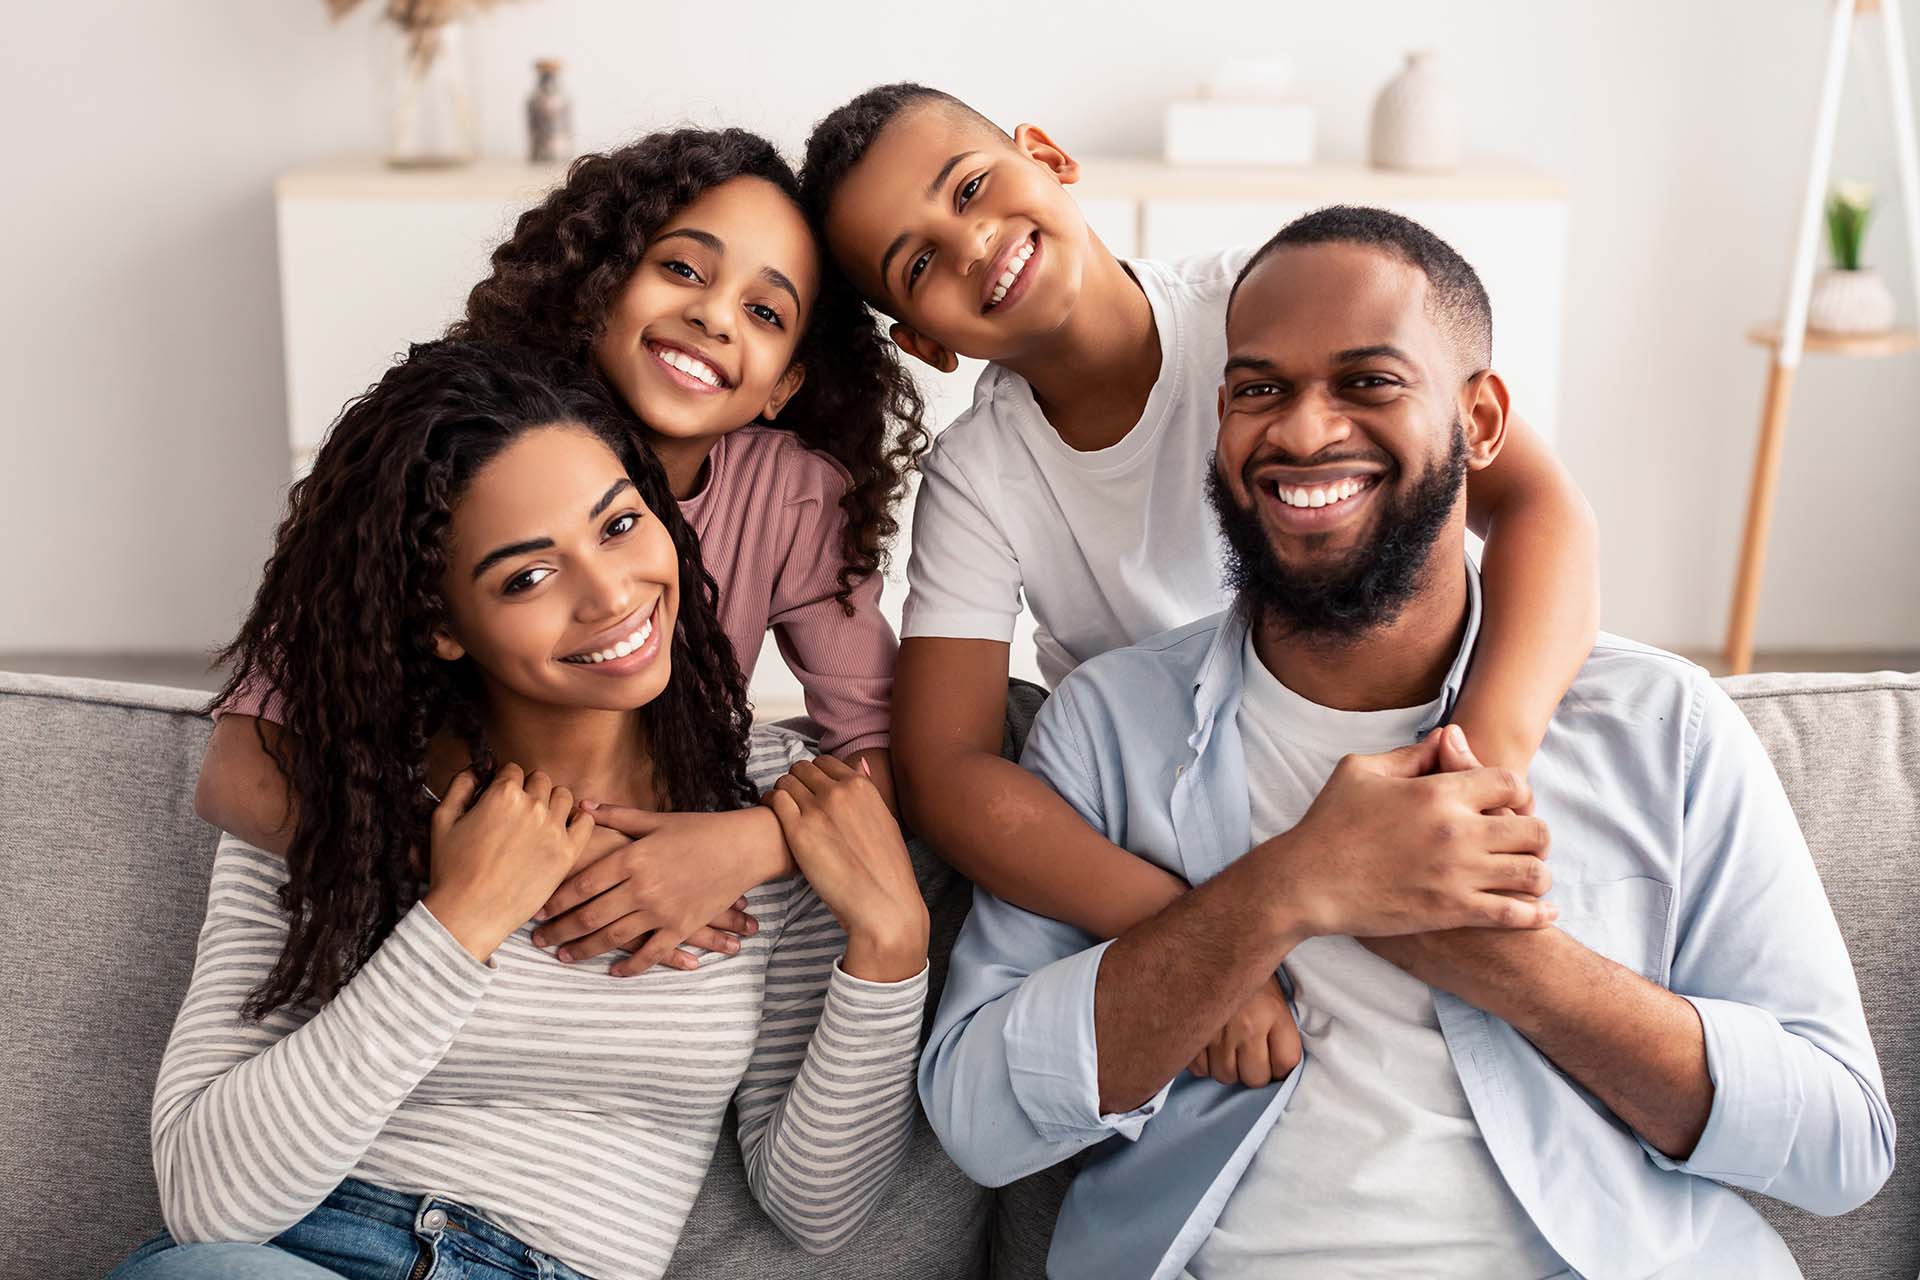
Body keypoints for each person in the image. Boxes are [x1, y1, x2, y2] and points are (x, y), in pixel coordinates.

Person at [918, 208, 1893, 1279]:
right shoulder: (1106, 730)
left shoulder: (1661, 725)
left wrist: (1515, 967)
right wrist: (1282, 891)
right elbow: (977, 1114)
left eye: (1368, 382)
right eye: (1259, 389)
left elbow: (1842, 1145)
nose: (1300, 431)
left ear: (1481, 420)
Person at [799, 84, 1599, 1077]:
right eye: (918, 262)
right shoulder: (982, 471)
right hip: (1192, 819)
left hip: (1400, 741)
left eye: (970, 187)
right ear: (923, 341)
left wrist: (1485, 759)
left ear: (1047, 154)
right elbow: (947, 772)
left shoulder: (1258, 307)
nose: (969, 246)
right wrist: (1196, 930)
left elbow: (1541, 504)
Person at [111, 341, 930, 1280]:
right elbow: (207, 1202)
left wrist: (893, 942)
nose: (612, 594)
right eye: (526, 578)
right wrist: (459, 920)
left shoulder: (774, 822)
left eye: (620, 526)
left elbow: (815, 1206)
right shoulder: (329, 796)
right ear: (443, 623)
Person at [196, 128, 927, 975]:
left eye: (765, 312)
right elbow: (240, 769)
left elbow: (875, 745)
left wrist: (749, 846)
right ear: (601, 280)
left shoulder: (793, 496)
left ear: (786, 384)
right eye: (683, 268)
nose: (713, 315)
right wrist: (499, 876)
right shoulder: (455, 453)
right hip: (454, 886)